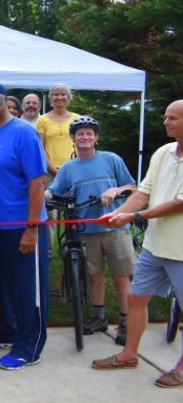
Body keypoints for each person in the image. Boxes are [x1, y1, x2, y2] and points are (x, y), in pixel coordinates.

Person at [92, 100, 183, 389]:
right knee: (136, 298)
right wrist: (118, 214)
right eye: (166, 117)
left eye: (173, 118)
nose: (165, 122)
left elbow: (179, 203)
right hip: (156, 247)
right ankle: (130, 353)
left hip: (181, 252)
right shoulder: (164, 152)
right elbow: (144, 192)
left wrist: (134, 215)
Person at [0, 81, 49, 370]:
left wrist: (31, 227)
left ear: (5, 100)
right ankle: (3, 330)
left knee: (24, 288)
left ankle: (29, 346)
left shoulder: (23, 132)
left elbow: (37, 181)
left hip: (19, 225)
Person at [45, 116, 136, 344]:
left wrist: (116, 189)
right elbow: (54, 191)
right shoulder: (68, 167)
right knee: (94, 275)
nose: (84, 137)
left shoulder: (111, 159)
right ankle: (99, 317)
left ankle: (126, 322)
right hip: (86, 228)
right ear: (73, 138)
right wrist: (37, 194)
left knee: (121, 276)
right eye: (80, 134)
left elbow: (132, 186)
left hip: (115, 226)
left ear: (96, 137)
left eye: (89, 133)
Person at [37, 83, 80, 176]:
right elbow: (40, 149)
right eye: (56, 94)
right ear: (51, 97)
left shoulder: (77, 119)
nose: (59, 97)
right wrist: (53, 170)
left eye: (63, 94)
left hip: (74, 170)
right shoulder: (42, 120)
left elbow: (81, 145)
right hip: (50, 172)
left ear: (68, 97)